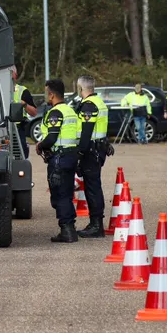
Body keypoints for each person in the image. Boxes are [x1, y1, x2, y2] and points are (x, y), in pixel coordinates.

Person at [36, 78, 80, 243]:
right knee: (66, 194)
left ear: (52, 95)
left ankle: (67, 231)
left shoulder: (55, 112)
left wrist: (40, 145)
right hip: (71, 156)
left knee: (60, 195)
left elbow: (52, 138)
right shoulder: (71, 111)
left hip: (59, 159)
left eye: (46, 92)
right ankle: (70, 228)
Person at [74, 75, 111, 238]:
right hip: (97, 149)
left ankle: (96, 226)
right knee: (93, 186)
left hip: (90, 151)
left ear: (80, 88)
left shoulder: (89, 105)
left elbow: (86, 132)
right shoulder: (99, 102)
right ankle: (95, 223)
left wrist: (79, 153)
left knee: (92, 188)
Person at [11, 66, 37, 158]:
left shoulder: (22, 91)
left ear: (15, 75)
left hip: (18, 130)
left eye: (11, 73)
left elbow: (34, 112)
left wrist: (25, 105)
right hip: (1, 129)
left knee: (21, 157)